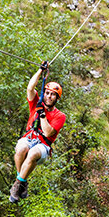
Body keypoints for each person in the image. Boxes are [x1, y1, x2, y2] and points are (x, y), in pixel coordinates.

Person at [9, 63, 66, 203]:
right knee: (21, 148)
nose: (49, 96)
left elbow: (47, 133)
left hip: (43, 146)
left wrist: (42, 115)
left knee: (33, 153)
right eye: (47, 93)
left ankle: (17, 185)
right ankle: (22, 181)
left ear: (56, 98)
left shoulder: (60, 116)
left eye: (53, 95)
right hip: (29, 137)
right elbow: (30, 88)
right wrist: (40, 70)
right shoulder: (36, 103)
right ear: (44, 94)